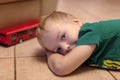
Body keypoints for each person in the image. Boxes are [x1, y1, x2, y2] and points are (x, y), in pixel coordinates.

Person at [36, 11, 120, 76]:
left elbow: (61, 67)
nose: (65, 47)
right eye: (58, 49)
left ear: (76, 22)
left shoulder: (90, 33)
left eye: (63, 36)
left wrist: (49, 53)